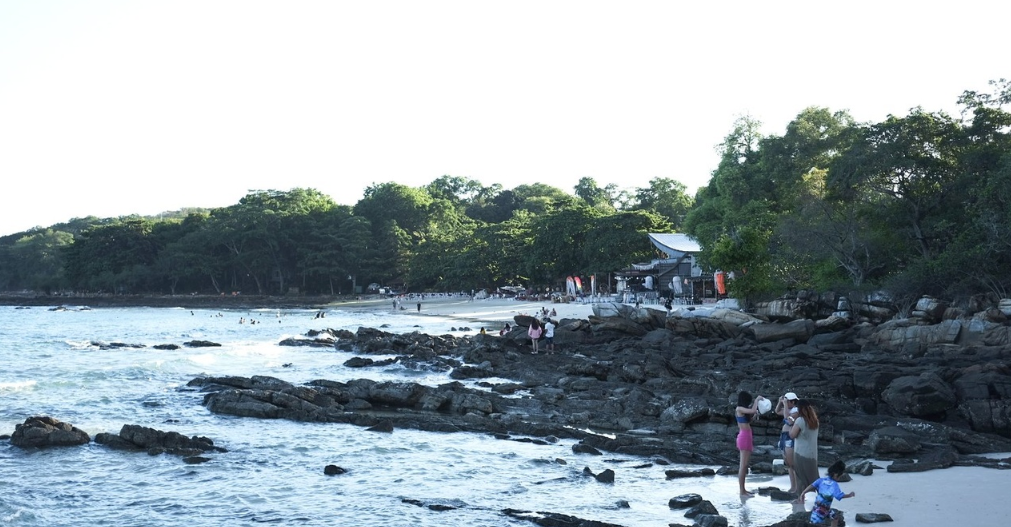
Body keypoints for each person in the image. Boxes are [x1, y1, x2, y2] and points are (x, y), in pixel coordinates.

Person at [795, 460, 855, 527]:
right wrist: (849, 495)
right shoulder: (834, 485)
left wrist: (803, 492)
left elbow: (812, 485)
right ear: (836, 475)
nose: (839, 478)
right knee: (820, 522)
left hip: (820, 507)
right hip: (822, 509)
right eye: (839, 476)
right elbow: (839, 496)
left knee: (834, 518)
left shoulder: (821, 480)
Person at [734, 391, 766, 496]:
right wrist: (756, 400)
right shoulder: (739, 408)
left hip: (747, 436)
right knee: (743, 466)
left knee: (745, 465)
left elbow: (747, 421)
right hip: (744, 437)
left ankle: (743, 489)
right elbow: (752, 410)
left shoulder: (743, 410)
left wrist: (753, 417)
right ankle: (742, 491)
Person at [790, 399, 821, 495]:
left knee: (800, 477)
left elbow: (792, 435)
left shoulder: (800, 420)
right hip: (812, 454)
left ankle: (800, 499)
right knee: (814, 478)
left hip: (801, 453)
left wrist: (791, 421)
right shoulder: (815, 421)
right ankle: (823, 497)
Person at [775, 392, 800, 493]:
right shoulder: (788, 410)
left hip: (790, 438)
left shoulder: (797, 411)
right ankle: (793, 486)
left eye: (787, 401)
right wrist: (780, 402)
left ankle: (797, 487)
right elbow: (777, 411)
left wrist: (785, 405)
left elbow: (788, 420)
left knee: (793, 464)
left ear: (792, 402)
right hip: (784, 437)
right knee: (788, 465)